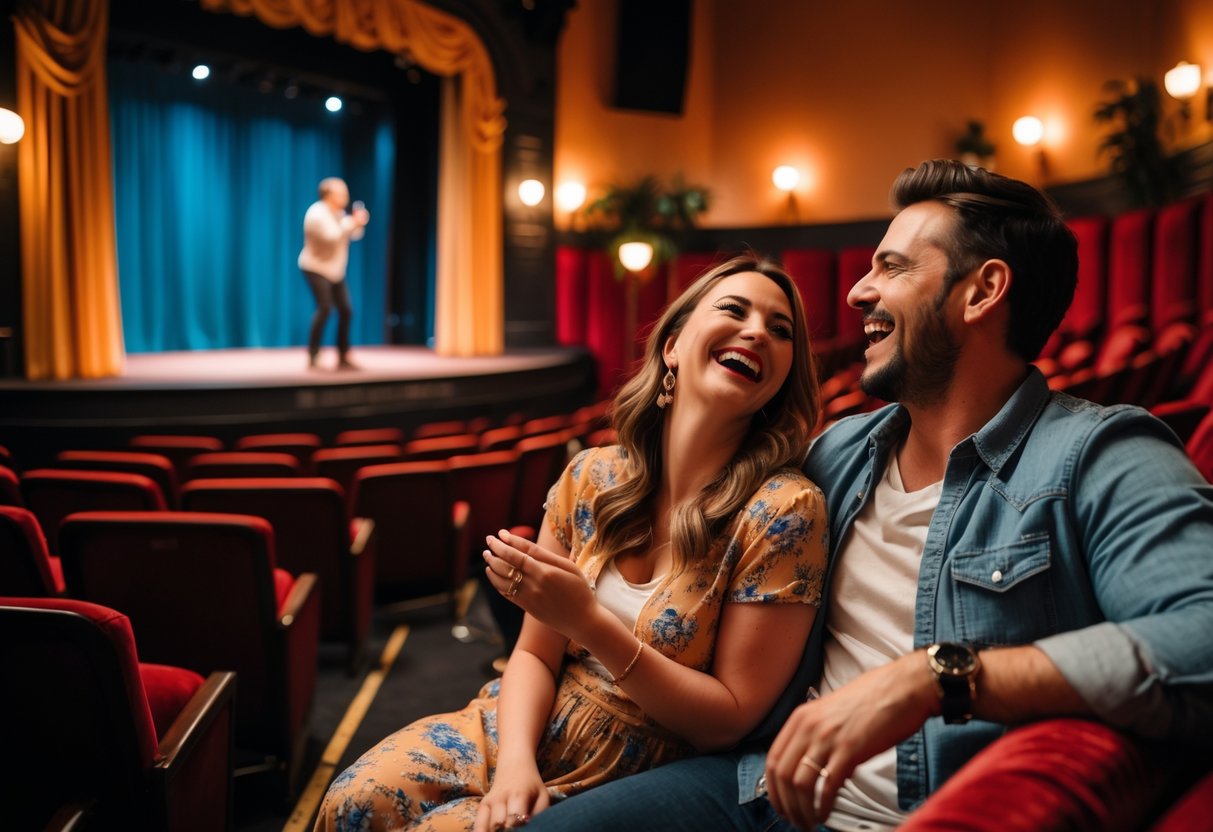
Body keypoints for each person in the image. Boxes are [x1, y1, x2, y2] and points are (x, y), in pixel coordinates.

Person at [523, 159, 1213, 831]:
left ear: (980, 292)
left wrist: (936, 679)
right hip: (752, 786)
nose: (856, 291)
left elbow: (1199, 636)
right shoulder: (838, 453)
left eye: (892, 266)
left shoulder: (1102, 455)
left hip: (924, 811)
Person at [313, 254, 830, 832]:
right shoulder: (589, 477)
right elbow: (534, 653)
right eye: (734, 310)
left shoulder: (784, 511)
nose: (758, 331)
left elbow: (729, 720)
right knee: (354, 802)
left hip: (642, 767)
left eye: (780, 330)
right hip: (522, 723)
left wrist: (587, 621)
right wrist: (513, 767)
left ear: (782, 378)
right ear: (673, 347)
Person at [298, 176, 369, 370]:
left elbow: (354, 235)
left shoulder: (338, 214)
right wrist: (351, 222)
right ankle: (313, 354)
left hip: (335, 270)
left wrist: (357, 223)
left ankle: (343, 355)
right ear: (329, 195)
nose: (346, 196)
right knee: (325, 307)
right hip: (315, 267)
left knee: (346, 310)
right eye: (342, 193)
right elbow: (331, 237)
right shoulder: (316, 214)